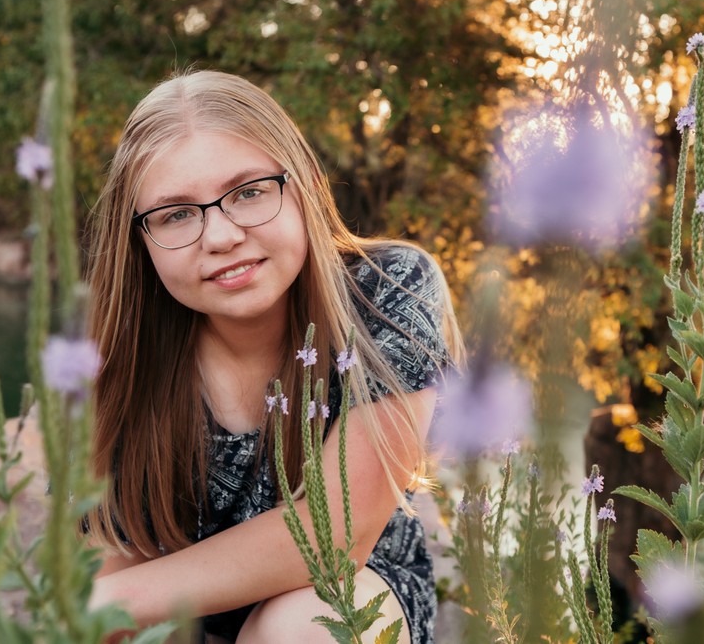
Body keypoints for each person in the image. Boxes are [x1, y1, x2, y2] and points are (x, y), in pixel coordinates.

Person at [82, 70, 464, 644]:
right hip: (188, 621)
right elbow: (107, 552)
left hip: (357, 592)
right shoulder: (126, 351)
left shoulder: (389, 294)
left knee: (306, 627)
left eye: (249, 192)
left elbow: (338, 538)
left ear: (305, 184)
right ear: (140, 241)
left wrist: (104, 602)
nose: (220, 236)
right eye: (176, 214)